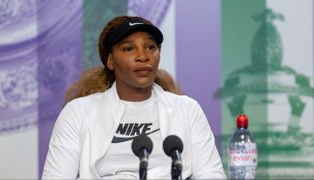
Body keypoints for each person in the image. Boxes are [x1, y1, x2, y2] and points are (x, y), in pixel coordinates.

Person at [42, 15, 226, 179]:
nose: (143, 56)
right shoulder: (78, 112)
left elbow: (211, 173)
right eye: (129, 48)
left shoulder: (187, 109)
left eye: (150, 47)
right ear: (111, 61)